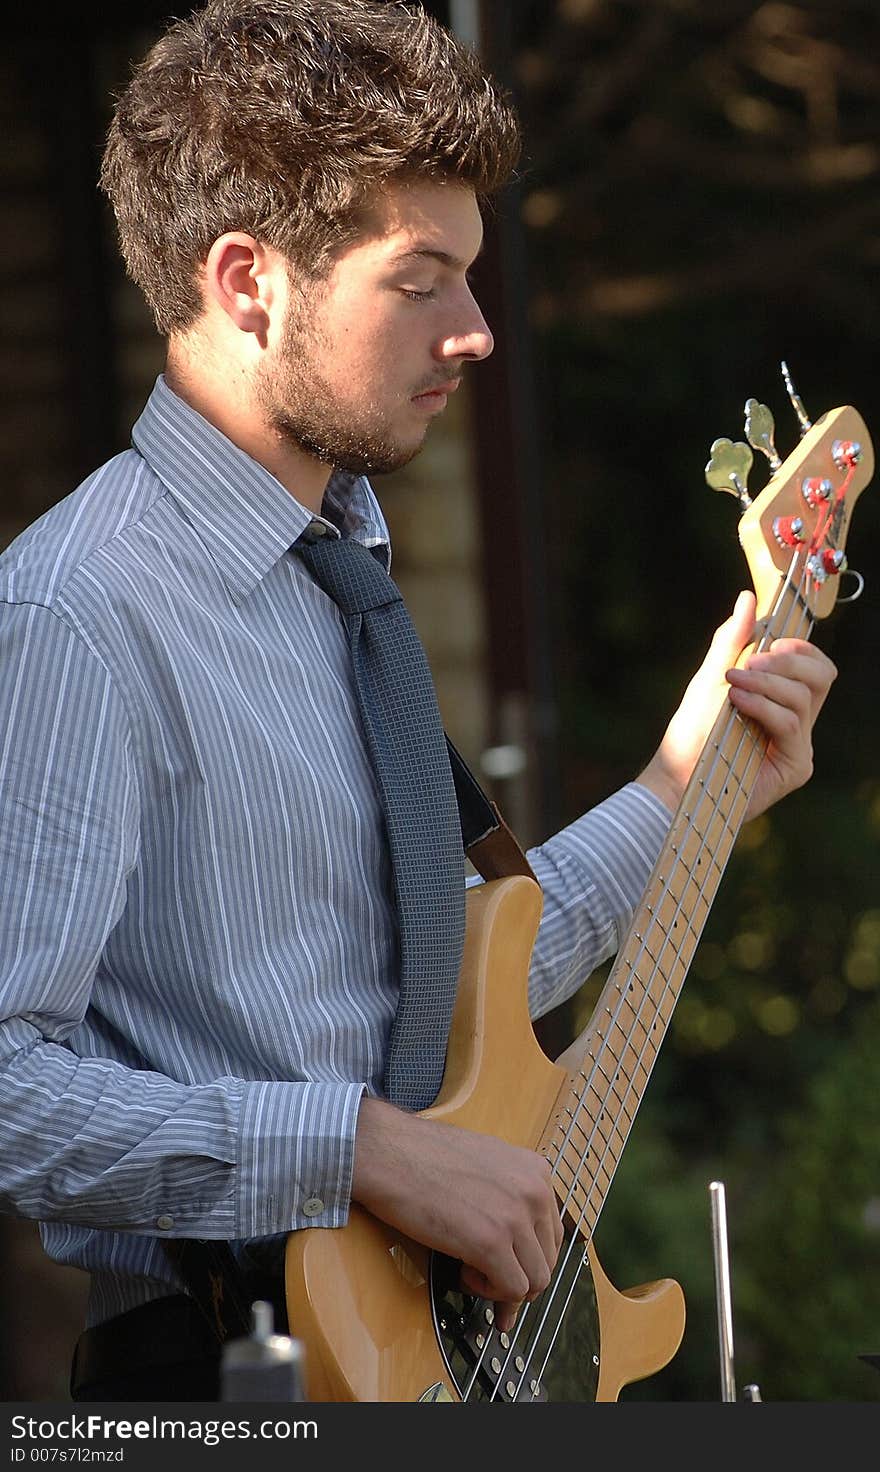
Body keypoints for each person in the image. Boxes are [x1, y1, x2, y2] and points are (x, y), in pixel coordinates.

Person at [0, 0, 835, 1403]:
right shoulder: (75, 613)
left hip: (440, 1363)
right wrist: (359, 1149)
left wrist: (690, 794)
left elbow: (442, 1002)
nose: (479, 333)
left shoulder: (343, 571)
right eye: (421, 280)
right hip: (219, 1379)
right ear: (248, 279)